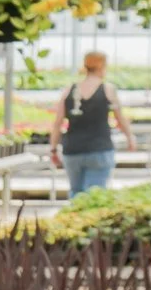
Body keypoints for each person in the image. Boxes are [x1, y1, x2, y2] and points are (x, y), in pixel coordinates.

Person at [49, 51, 134, 198]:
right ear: (102, 66)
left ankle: (73, 219)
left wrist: (53, 149)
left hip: (72, 150)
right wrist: (130, 138)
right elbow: (120, 119)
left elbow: (58, 123)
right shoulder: (108, 90)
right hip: (99, 149)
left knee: (75, 192)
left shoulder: (70, 89)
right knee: (95, 195)